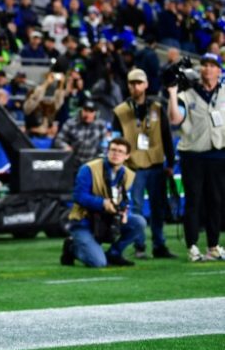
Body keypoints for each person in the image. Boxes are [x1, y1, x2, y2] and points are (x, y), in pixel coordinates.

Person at [112, 68, 177, 259]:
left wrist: (171, 162)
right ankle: (139, 246)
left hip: (156, 164)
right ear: (127, 85)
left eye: (139, 83)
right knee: (137, 208)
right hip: (133, 167)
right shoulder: (121, 111)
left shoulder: (157, 107)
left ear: (146, 84)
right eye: (132, 83)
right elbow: (115, 141)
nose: (136, 86)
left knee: (158, 208)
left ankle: (159, 245)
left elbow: (167, 136)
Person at [167, 52, 225, 262]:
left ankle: (213, 246)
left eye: (212, 65)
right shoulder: (188, 94)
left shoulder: (224, 92)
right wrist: (173, 93)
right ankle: (192, 246)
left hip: (218, 153)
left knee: (216, 202)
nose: (208, 69)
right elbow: (175, 119)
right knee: (194, 201)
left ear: (219, 70)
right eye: (205, 65)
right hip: (193, 154)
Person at [62, 137, 146, 267]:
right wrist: (102, 203)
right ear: (107, 152)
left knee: (139, 222)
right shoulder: (88, 169)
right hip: (84, 221)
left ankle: (114, 253)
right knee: (98, 263)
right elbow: (79, 196)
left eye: (120, 151)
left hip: (108, 220)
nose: (116, 154)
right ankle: (72, 248)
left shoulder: (128, 174)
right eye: (113, 150)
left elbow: (125, 200)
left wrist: (124, 211)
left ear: (127, 156)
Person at [53, 99, 107, 166]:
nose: (87, 114)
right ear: (81, 110)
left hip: (92, 163)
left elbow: (105, 144)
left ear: (95, 113)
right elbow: (58, 140)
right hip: (73, 162)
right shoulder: (70, 123)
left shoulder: (101, 125)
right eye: (85, 111)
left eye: (91, 111)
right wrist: (65, 146)